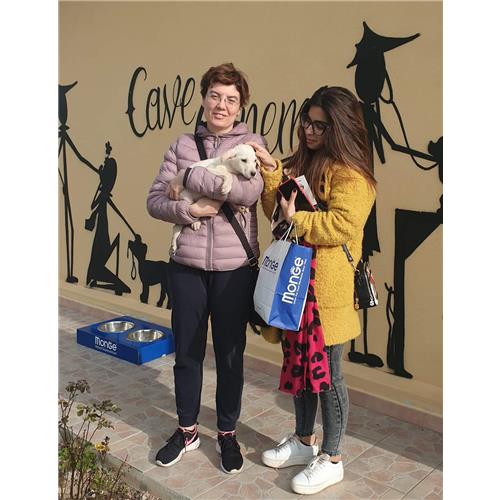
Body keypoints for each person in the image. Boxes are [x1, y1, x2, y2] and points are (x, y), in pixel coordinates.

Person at [248, 86, 376, 495]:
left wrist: (299, 220)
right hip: (296, 288)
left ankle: (333, 458)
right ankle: (304, 441)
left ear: (341, 128)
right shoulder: (302, 163)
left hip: (328, 296)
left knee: (330, 377)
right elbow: (276, 211)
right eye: (307, 121)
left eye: (320, 125)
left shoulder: (353, 175)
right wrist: (273, 173)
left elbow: (342, 225)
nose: (309, 130)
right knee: (300, 368)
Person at [146, 63, 267, 474]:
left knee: (231, 355)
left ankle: (227, 433)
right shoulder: (182, 144)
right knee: (187, 353)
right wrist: (189, 210)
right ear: (203, 98)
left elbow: (249, 191)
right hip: (187, 267)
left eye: (231, 99)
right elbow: (155, 200)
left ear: (240, 106)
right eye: (215, 95)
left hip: (235, 269)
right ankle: (187, 430)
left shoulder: (252, 144)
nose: (222, 105)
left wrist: (192, 177)